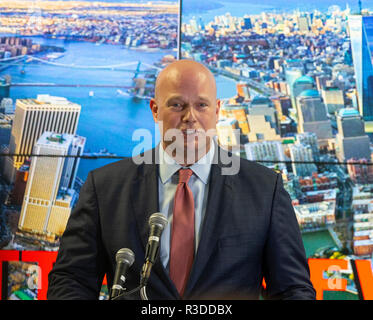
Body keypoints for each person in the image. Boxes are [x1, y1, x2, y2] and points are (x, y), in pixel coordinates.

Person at [47, 60, 316, 300]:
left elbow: (293, 289)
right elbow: (71, 280)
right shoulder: (104, 187)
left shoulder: (264, 189)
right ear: (154, 110)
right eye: (177, 105)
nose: (190, 118)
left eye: (202, 105)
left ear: (217, 110)